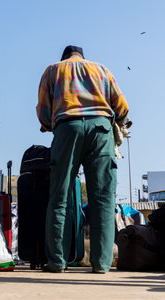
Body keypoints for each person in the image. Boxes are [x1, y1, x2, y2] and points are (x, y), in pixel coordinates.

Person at [37, 45, 129, 273]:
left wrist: (51, 126)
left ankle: (57, 262)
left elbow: (43, 112)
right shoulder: (102, 70)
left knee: (60, 196)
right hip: (101, 129)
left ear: (64, 57)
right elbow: (122, 107)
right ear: (82, 57)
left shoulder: (53, 70)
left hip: (67, 128)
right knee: (103, 199)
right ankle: (102, 264)